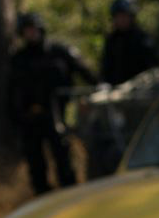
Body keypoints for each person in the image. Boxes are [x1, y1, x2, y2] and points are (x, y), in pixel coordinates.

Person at [8, 11, 98, 195]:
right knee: (36, 167)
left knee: (64, 161)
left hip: (58, 116)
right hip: (31, 121)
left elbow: (83, 70)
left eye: (34, 29)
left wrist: (99, 86)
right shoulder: (18, 60)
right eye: (27, 30)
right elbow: (11, 93)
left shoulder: (59, 52)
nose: (31, 33)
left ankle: (71, 196)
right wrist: (17, 118)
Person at [100, 0, 159, 86]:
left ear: (132, 16)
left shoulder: (142, 38)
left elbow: (154, 66)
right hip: (117, 91)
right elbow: (106, 69)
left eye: (124, 15)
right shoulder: (111, 40)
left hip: (143, 88)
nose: (121, 19)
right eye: (118, 16)